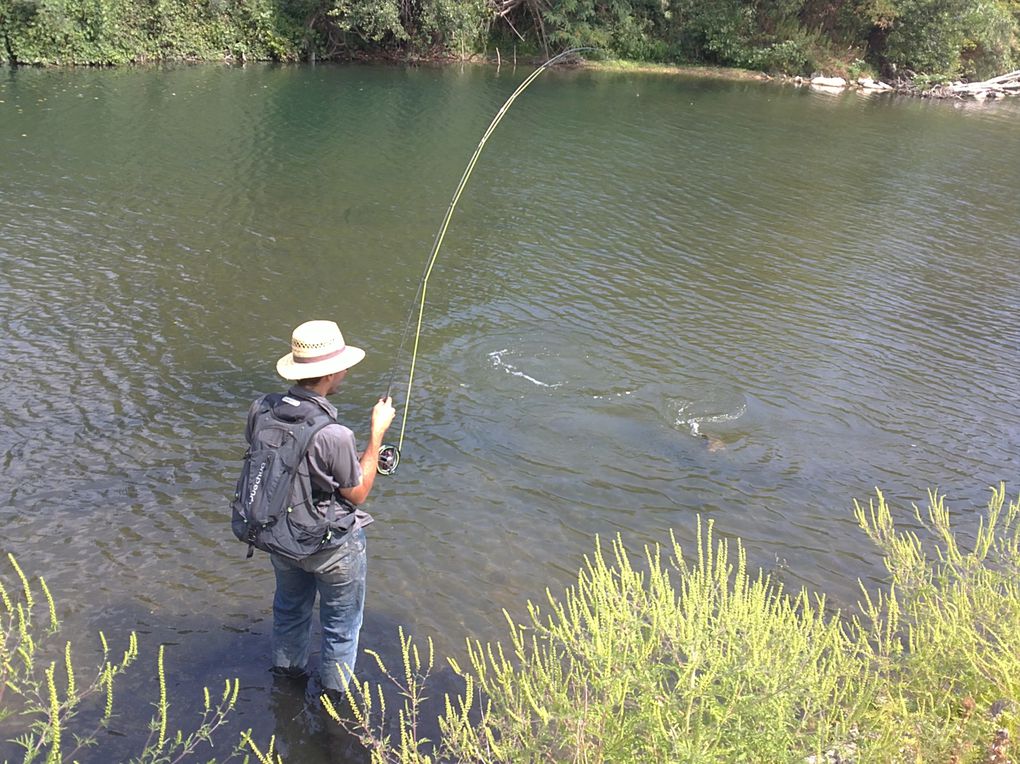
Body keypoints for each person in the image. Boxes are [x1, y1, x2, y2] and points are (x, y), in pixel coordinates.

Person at [244, 319, 395, 698]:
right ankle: (334, 705)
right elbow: (357, 494)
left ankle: (286, 683)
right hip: (331, 547)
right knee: (340, 627)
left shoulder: (260, 409)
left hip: (279, 535)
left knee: (289, 611)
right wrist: (377, 434)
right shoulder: (335, 434)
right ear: (333, 373)